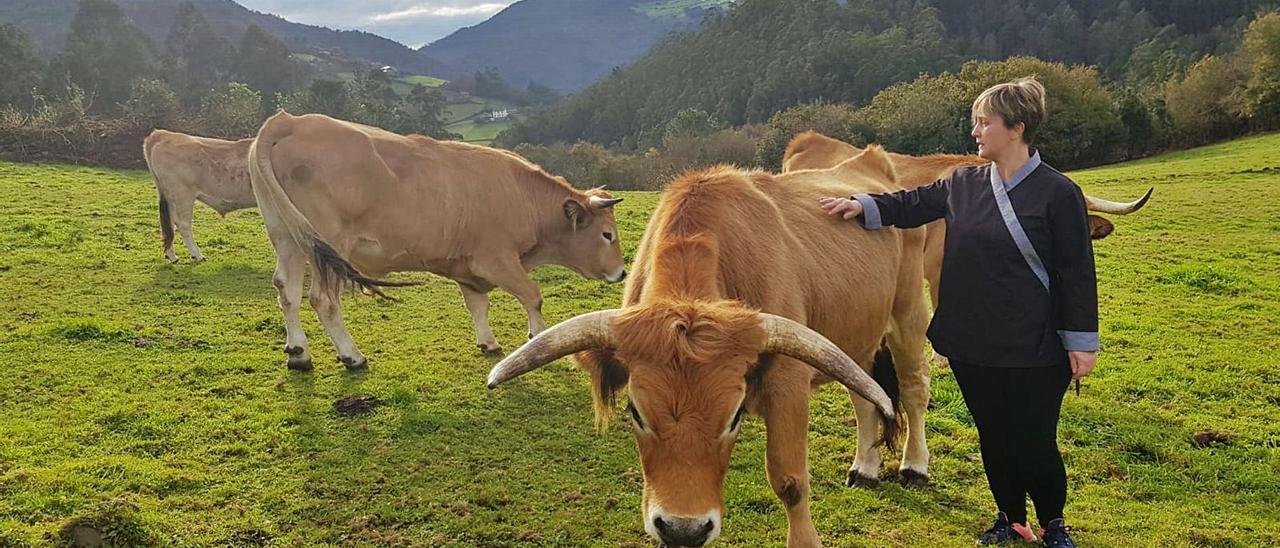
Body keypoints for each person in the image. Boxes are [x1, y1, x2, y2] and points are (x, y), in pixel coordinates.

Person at [819, 76, 1095, 547]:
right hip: (973, 343)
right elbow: (909, 204)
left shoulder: (1057, 193)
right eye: (975, 123)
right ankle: (1011, 518)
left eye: (984, 123)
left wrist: (1081, 341)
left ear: (1017, 128)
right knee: (993, 435)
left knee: (1035, 440)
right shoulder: (961, 183)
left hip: (1036, 344)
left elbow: (1075, 271)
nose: (975, 133)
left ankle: (1053, 523)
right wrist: (860, 204)